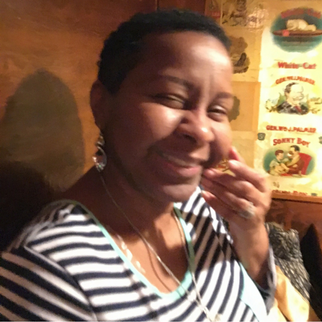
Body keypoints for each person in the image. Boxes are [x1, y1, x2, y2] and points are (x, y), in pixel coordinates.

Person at [0, 9, 273, 321]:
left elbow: (258, 302)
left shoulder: (206, 205)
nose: (201, 130)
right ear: (102, 104)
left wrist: (250, 231)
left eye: (218, 109)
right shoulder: (48, 270)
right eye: (170, 97)